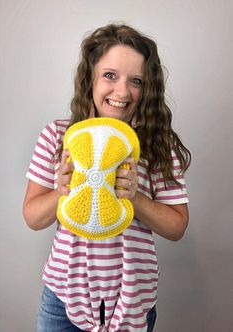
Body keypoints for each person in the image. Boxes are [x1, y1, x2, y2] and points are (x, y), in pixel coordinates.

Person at [23, 23, 191, 332]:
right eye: (110, 75)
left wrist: (134, 197)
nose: (122, 91)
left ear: (148, 89)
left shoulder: (157, 144)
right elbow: (33, 218)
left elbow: (177, 226)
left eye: (136, 81)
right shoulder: (58, 136)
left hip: (133, 301)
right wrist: (64, 190)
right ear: (90, 78)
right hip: (63, 298)